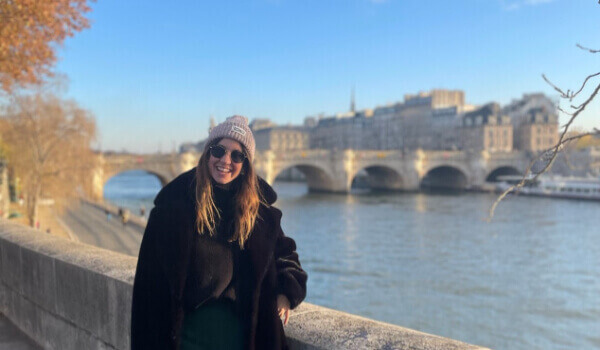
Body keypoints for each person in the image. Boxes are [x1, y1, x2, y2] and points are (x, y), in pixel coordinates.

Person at [131, 116, 307, 350]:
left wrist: (286, 293)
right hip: (186, 338)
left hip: (247, 338)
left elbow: (287, 256)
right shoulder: (172, 210)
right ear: (207, 154)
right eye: (218, 150)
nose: (226, 160)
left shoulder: (259, 212)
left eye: (237, 155)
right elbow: (147, 290)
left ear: (246, 165)